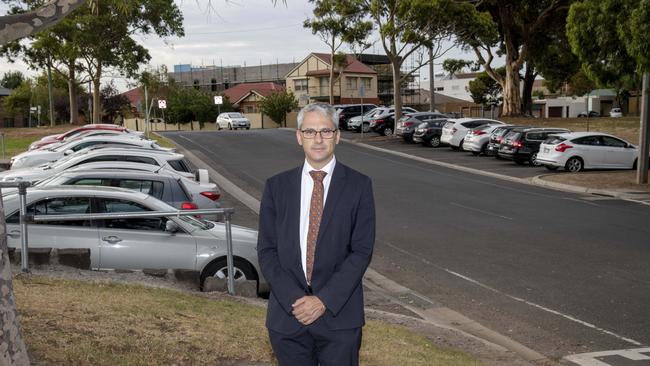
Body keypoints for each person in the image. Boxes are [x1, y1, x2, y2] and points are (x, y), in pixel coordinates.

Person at [257, 103, 376, 366]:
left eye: (325, 131)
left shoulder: (359, 186)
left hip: (340, 317)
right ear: (299, 137)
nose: (318, 139)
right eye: (310, 131)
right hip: (288, 318)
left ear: (337, 136)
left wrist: (323, 300)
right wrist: (295, 300)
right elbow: (267, 251)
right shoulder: (276, 187)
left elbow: (361, 251)